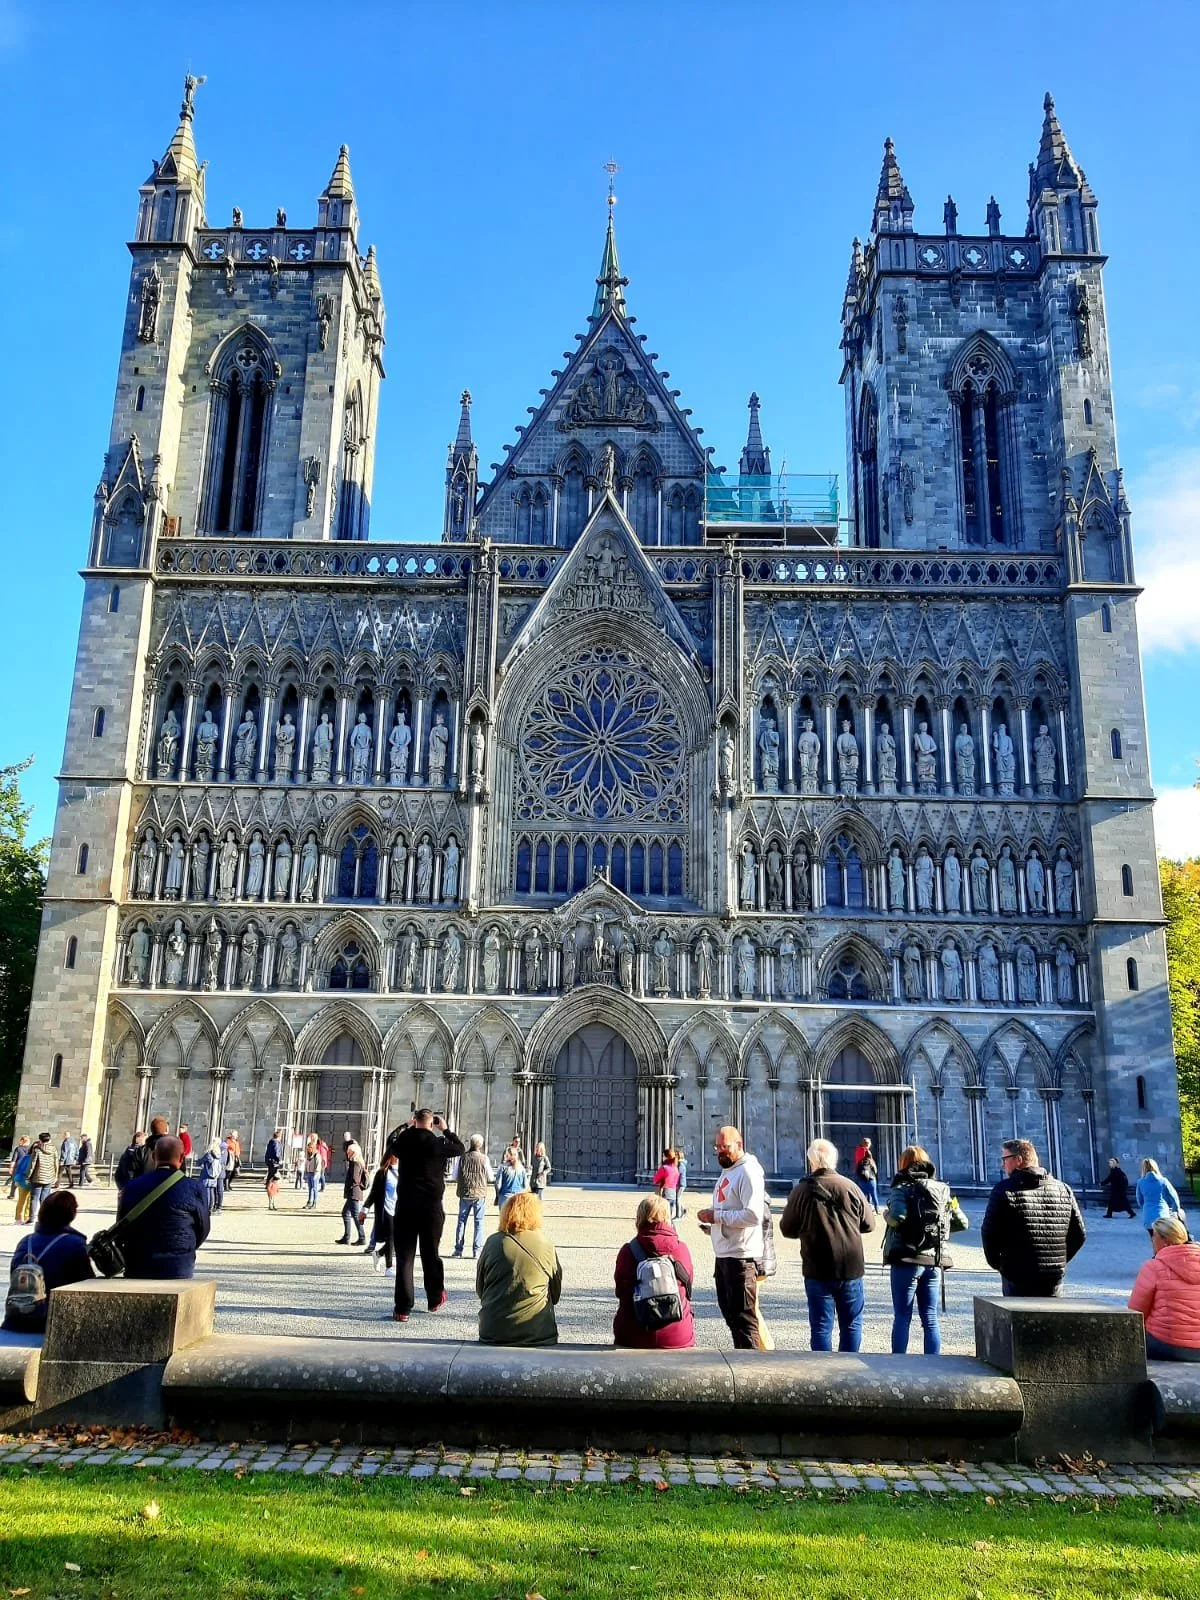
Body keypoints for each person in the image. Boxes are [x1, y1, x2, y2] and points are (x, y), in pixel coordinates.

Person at [780, 1138, 875, 1352]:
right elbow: (869, 1224)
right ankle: (849, 1374)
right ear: (834, 1160)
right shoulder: (851, 1186)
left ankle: (824, 1377)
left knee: (821, 1327)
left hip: (817, 1267)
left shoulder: (801, 1191)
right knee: (851, 1325)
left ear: (811, 1161)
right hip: (850, 1266)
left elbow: (787, 1229)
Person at [881, 1144, 967, 1356]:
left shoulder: (901, 1188)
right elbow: (962, 1223)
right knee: (930, 1317)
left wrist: (885, 1214)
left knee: (902, 1315)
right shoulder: (942, 1189)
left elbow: (896, 1217)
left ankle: (899, 1363)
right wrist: (936, 1233)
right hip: (934, 1261)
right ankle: (933, 1364)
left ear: (903, 1163)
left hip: (906, 1259)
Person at [980, 1137, 1086, 1297]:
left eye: (1004, 1159)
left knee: (1018, 1319)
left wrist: (1001, 1265)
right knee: (1051, 1319)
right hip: (1053, 1278)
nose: (1002, 1164)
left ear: (1018, 1160)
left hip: (1017, 1276)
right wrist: (1058, 1262)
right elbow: (1079, 1235)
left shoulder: (1004, 1190)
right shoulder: (1063, 1189)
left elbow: (989, 1233)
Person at [387, 1109, 466, 1322]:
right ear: (432, 1123)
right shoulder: (437, 1144)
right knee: (430, 1253)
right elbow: (460, 1148)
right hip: (431, 1208)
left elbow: (390, 1142)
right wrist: (447, 1130)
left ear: (415, 1121)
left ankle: (402, 1308)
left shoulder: (404, 1141)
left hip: (405, 1207)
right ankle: (434, 1298)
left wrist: (405, 1125)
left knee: (405, 1258)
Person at [696, 1125, 768, 1351]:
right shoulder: (730, 1169)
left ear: (740, 1144)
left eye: (725, 1147)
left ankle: (753, 1373)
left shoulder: (748, 1172)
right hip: (725, 1254)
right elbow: (731, 1208)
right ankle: (742, 1364)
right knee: (731, 1316)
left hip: (741, 1257)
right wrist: (713, 1225)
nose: (720, 1151)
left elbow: (754, 1215)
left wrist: (717, 1216)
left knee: (744, 1320)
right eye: (717, 1147)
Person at [117, 1135, 210, 1279]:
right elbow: (203, 1228)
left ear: (154, 1157)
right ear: (181, 1158)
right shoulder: (194, 1187)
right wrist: (184, 1248)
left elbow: (121, 1228)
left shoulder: (131, 1187)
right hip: (177, 1265)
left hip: (137, 1264)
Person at [476, 1191, 562, 1346]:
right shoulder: (545, 1244)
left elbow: (480, 1289)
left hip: (493, 1331)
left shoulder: (493, 1242)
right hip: (537, 1332)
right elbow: (555, 1294)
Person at [613, 1194, 695, 1350]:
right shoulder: (681, 1249)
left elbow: (620, 1291)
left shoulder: (628, 1251)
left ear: (640, 1217)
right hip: (677, 1336)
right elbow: (689, 1288)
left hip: (634, 1335)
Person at [3, 1191, 93, 1332]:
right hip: (52, 1322)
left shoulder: (26, 1241)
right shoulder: (75, 1244)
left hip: (17, 1318)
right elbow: (87, 1284)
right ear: (71, 1215)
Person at [1129, 1217, 1200, 1361]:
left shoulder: (1153, 1267)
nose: (1151, 1241)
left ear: (1165, 1240)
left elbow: (1136, 1313)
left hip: (1166, 1345)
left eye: (1153, 1237)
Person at [454, 1134, 495, 1259]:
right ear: (481, 1145)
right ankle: (476, 1251)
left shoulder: (462, 1157)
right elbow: (491, 1176)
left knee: (461, 1221)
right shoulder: (484, 1159)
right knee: (479, 1222)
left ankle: (458, 1250)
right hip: (479, 1194)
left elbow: (454, 1175)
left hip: (465, 1193)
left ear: (470, 1143)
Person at [364, 1152, 398, 1275]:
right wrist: (365, 1209)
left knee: (398, 1239)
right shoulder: (382, 1173)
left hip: (399, 1209)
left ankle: (378, 1254)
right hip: (386, 1208)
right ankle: (389, 1267)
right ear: (391, 1157)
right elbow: (373, 1193)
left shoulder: (405, 1171)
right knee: (390, 1237)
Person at [1136, 1158, 1185, 1241]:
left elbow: (1139, 1199)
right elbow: (1174, 1196)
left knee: (1154, 1240)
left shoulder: (1140, 1182)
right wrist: (1175, 1210)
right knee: (1165, 1240)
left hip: (1148, 1215)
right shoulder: (1163, 1181)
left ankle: (1157, 1253)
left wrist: (1145, 1207)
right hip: (1162, 1214)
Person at [336, 1141, 368, 1246]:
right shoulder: (358, 1162)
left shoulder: (355, 1163)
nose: (347, 1153)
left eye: (349, 1152)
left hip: (353, 1192)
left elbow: (355, 1179)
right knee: (346, 1213)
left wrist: (350, 1186)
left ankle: (362, 1237)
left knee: (354, 1215)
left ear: (354, 1152)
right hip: (354, 1192)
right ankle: (347, 1237)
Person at [26, 1133, 59, 1218]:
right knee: (44, 1198)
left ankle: (32, 1218)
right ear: (49, 1139)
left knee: (34, 1198)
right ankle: (43, 1218)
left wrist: (28, 1176)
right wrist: (55, 1176)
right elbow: (56, 1163)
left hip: (37, 1177)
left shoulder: (37, 1149)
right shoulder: (54, 1149)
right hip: (49, 1176)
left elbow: (32, 1164)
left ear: (40, 1140)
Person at [652, 1148, 681, 1220]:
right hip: (673, 1193)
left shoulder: (664, 1168)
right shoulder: (676, 1168)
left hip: (664, 1193)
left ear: (666, 1157)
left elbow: (655, 1180)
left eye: (663, 1156)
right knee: (669, 1217)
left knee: (662, 1217)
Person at [10, 1139, 33, 1224]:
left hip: (32, 1182)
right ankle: (19, 1218)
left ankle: (26, 1217)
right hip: (24, 1181)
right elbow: (20, 1169)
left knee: (29, 1201)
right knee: (22, 1200)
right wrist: (17, 1179)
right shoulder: (27, 1158)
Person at [854, 1138, 879, 1210]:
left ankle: (864, 1208)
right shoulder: (867, 1152)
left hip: (861, 1175)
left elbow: (857, 1162)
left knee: (863, 1194)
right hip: (871, 1177)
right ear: (868, 1144)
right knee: (873, 1194)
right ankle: (876, 1209)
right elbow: (875, 1170)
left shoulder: (858, 1150)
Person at [264, 1128, 285, 1211]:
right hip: (274, 1164)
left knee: (271, 1182)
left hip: (271, 1164)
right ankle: (271, 1203)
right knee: (273, 1183)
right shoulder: (276, 1143)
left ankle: (271, 1202)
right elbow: (277, 1153)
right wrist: (280, 1160)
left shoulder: (271, 1142)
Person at [200, 1139, 223, 1212]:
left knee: (207, 1191)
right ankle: (211, 1207)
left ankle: (207, 1207)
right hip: (215, 1175)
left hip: (207, 1175)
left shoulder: (209, 1154)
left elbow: (199, 1162)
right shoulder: (219, 1155)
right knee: (212, 1191)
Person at [304, 1134, 324, 1208]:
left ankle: (314, 1203)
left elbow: (318, 1165)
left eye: (309, 1148)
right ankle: (309, 1201)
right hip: (309, 1173)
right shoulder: (308, 1155)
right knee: (310, 1188)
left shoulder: (317, 1155)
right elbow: (306, 1163)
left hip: (314, 1173)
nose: (308, 1149)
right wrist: (306, 1171)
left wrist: (316, 1173)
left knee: (315, 1188)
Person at [675, 1148, 688, 1217]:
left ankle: (678, 1215)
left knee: (677, 1199)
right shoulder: (681, 1164)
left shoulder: (680, 1164)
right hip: (680, 1184)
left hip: (681, 1184)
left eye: (676, 1155)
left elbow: (677, 1173)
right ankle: (683, 1210)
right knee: (678, 1198)